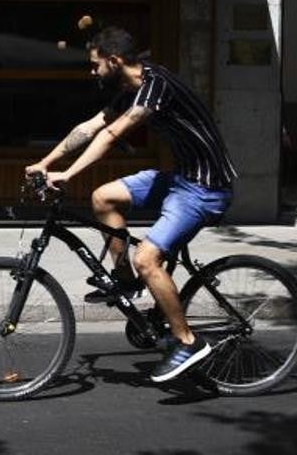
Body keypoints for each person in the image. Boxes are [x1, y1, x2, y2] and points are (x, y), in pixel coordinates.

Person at [24, 26, 236, 383]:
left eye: (95, 65)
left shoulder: (157, 85)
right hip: (181, 179)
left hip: (205, 189)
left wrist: (68, 174)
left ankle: (188, 341)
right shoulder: (129, 90)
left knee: (147, 259)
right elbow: (91, 126)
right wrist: (46, 163)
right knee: (103, 197)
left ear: (114, 60)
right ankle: (125, 281)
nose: (92, 72)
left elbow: (111, 135)